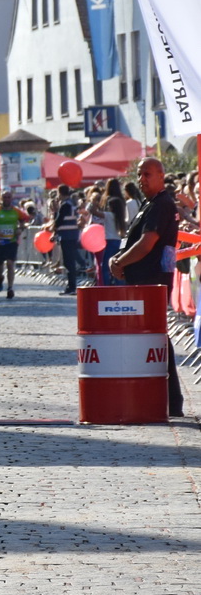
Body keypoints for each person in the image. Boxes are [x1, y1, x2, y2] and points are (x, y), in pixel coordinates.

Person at [109, 158, 186, 417]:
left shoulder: (162, 204)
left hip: (152, 282)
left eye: (147, 174)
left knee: (157, 341)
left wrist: (120, 261)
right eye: (140, 174)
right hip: (142, 281)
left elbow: (147, 243)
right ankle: (165, 400)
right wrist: (117, 258)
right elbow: (133, 239)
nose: (142, 179)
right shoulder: (149, 204)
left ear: (161, 175)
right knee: (153, 341)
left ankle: (172, 401)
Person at [0, 192, 28, 298]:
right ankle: (0, 277)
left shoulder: (16, 211)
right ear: (1, 198)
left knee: (10, 263)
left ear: (11, 198)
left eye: (8, 197)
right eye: (4, 197)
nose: (6, 199)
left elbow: (24, 221)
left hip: (11, 241)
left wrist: (20, 228)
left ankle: (10, 288)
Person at [49, 183, 83, 294]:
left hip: (67, 236)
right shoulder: (71, 203)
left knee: (69, 263)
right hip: (72, 235)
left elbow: (59, 220)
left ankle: (71, 287)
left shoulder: (65, 205)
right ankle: (71, 286)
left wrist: (52, 229)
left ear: (60, 193)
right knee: (69, 262)